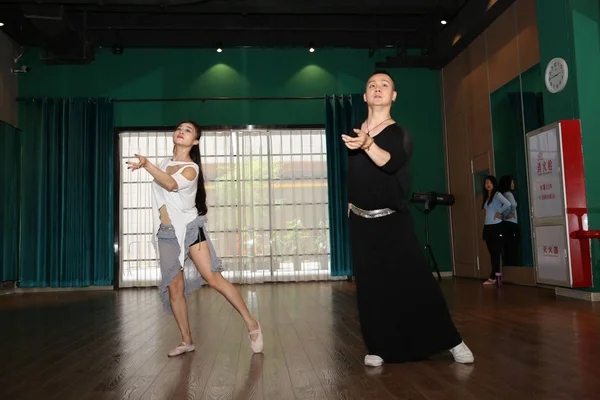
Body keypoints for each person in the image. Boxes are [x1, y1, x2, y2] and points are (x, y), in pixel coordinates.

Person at [341, 71, 474, 367]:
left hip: (392, 221)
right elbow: (358, 176)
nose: (377, 89)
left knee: (416, 281)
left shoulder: (399, 134)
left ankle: (452, 340)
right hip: (361, 222)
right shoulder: (355, 132)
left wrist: (367, 145)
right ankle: (377, 345)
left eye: (384, 85)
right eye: (371, 85)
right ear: (364, 96)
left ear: (393, 96)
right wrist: (350, 204)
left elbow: (390, 163)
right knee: (370, 286)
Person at [127, 121, 263, 357]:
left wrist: (146, 164)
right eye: (179, 128)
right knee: (174, 287)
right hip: (166, 233)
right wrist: (150, 165)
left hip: (189, 229)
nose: (181, 131)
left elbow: (170, 184)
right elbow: (163, 185)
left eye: (188, 130)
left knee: (213, 279)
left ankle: (251, 323)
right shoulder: (163, 163)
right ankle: (186, 340)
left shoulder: (191, 169)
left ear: (195, 141)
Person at [481, 175, 511, 286]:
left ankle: (494, 277)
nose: (488, 185)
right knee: (492, 253)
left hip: (496, 226)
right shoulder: (487, 196)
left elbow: (508, 204)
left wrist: (499, 212)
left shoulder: (497, 195)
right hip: (487, 227)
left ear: (494, 184)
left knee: (496, 253)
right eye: (486, 183)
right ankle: (495, 276)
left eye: (490, 183)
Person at [499, 175, 519, 266]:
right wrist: (510, 212)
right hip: (512, 223)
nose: (513, 184)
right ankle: (513, 267)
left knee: (506, 247)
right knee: (513, 247)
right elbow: (513, 204)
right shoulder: (509, 194)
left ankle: (507, 267)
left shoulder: (501, 195)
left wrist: (504, 215)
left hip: (504, 223)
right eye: (512, 182)